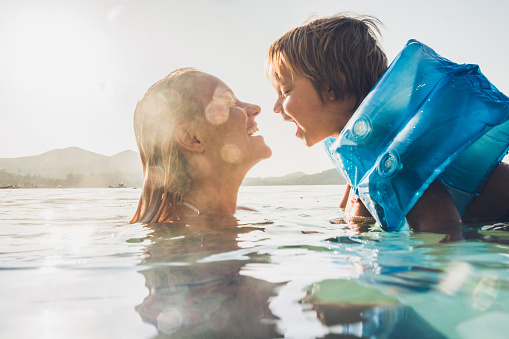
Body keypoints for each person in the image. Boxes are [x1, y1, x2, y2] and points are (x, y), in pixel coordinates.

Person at [266, 14, 509, 232]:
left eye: (285, 91)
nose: (276, 108)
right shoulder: (360, 152)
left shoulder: (396, 157)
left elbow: (443, 233)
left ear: (332, 88)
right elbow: (354, 211)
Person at [129, 68, 271, 223]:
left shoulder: (242, 215)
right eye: (229, 102)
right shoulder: (197, 239)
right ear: (191, 138)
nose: (255, 108)